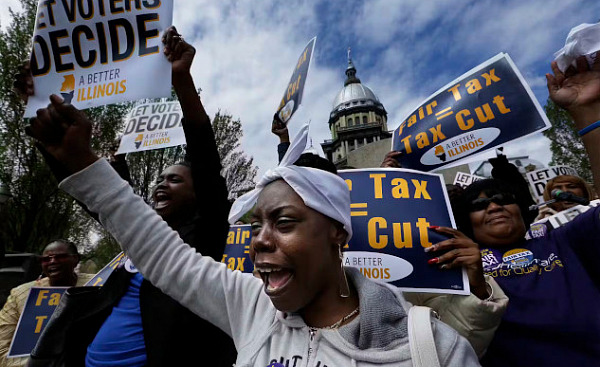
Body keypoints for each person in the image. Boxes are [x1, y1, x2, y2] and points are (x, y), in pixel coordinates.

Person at [26, 90, 482, 367]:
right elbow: (160, 253)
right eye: (257, 222)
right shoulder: (251, 308)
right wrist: (83, 163)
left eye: (284, 223)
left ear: (338, 234)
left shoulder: (431, 347)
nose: (261, 239)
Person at [22, 27, 236, 366]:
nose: (162, 185)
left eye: (176, 180)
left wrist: (181, 81)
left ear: (198, 195)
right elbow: (93, 193)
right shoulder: (137, 234)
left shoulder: (203, 237)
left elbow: (207, 166)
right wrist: (40, 110)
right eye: (161, 179)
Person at [448, 54, 600, 367]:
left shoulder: (565, 240)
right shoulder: (458, 269)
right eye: (478, 204)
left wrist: (587, 114)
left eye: (503, 198)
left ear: (522, 207)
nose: (493, 206)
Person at [0, 240, 93, 367]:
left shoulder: (97, 285)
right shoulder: (19, 294)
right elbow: (2, 346)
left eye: (60, 257)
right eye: (46, 259)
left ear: (75, 259)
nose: (52, 261)